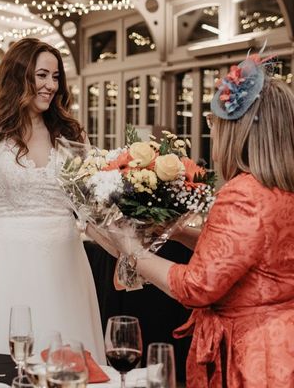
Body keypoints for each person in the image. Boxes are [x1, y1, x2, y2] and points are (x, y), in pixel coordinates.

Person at [96, 54, 294, 387]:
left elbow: (197, 286)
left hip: (250, 354)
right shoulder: (280, 188)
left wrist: (130, 248)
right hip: (281, 343)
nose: (212, 131)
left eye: (214, 123)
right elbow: (249, 255)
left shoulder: (242, 193)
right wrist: (179, 233)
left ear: (236, 130)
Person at [0, 38, 105, 360]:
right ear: (18, 77)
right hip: (4, 269)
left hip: (65, 270)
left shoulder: (72, 138)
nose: (50, 85)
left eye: (56, 77)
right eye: (42, 76)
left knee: (71, 364)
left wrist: (131, 252)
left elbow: (90, 214)